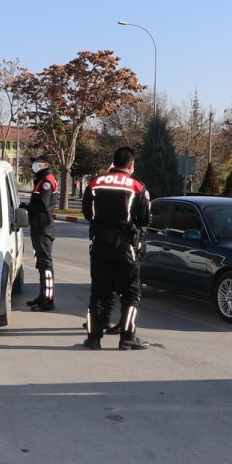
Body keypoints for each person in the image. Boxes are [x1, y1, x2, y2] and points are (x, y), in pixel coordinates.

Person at [82, 147, 151, 350]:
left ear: (114, 162)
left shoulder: (95, 183)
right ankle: (127, 337)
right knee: (131, 293)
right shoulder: (137, 186)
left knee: (98, 292)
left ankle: (93, 338)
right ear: (131, 164)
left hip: (100, 245)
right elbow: (145, 219)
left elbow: (87, 213)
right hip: (126, 246)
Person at [22, 154, 58, 311]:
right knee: (41, 263)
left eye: (38, 162)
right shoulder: (42, 180)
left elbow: (42, 204)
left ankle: (48, 300)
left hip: (44, 226)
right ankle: (43, 296)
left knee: (46, 264)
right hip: (38, 225)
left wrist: (27, 208)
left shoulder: (47, 181)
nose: (35, 165)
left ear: (46, 164)